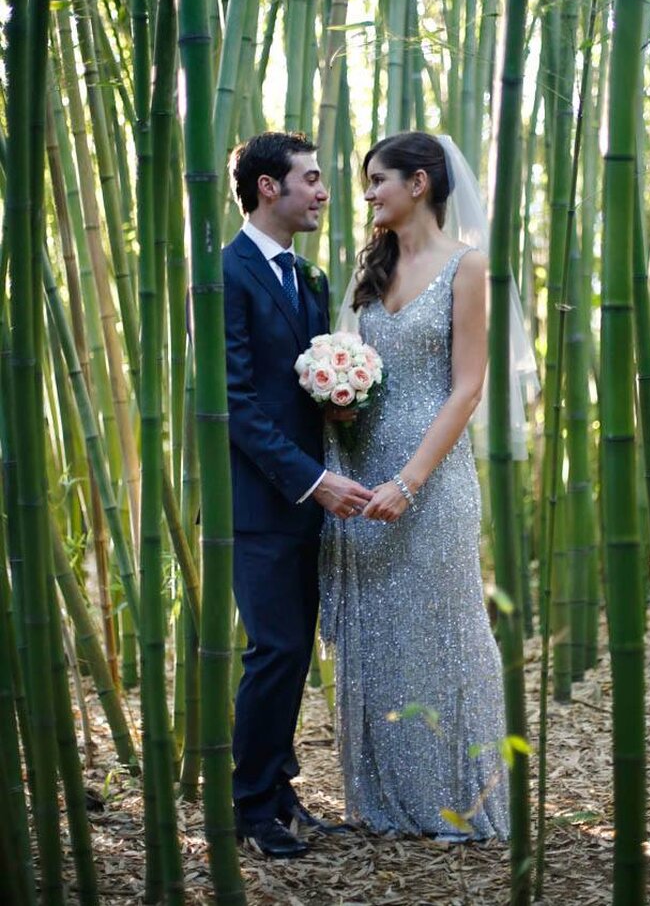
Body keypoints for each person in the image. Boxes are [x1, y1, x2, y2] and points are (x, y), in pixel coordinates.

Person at [320, 131, 511, 840]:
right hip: (362, 471)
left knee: (445, 633)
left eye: (377, 179)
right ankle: (383, 803)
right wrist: (338, 403)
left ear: (419, 184)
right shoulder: (368, 270)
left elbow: (464, 389)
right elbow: (358, 369)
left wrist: (410, 481)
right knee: (379, 639)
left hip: (428, 477)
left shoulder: (467, 267)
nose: (367, 193)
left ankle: (459, 801)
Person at [223, 131, 372, 858]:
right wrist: (314, 481)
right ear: (266, 189)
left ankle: (279, 794)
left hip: (305, 503)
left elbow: (302, 381)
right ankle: (248, 809)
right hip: (256, 504)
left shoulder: (306, 279)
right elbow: (235, 402)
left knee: (290, 650)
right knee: (275, 649)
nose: (322, 191)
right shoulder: (224, 273)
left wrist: (339, 405)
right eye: (310, 179)